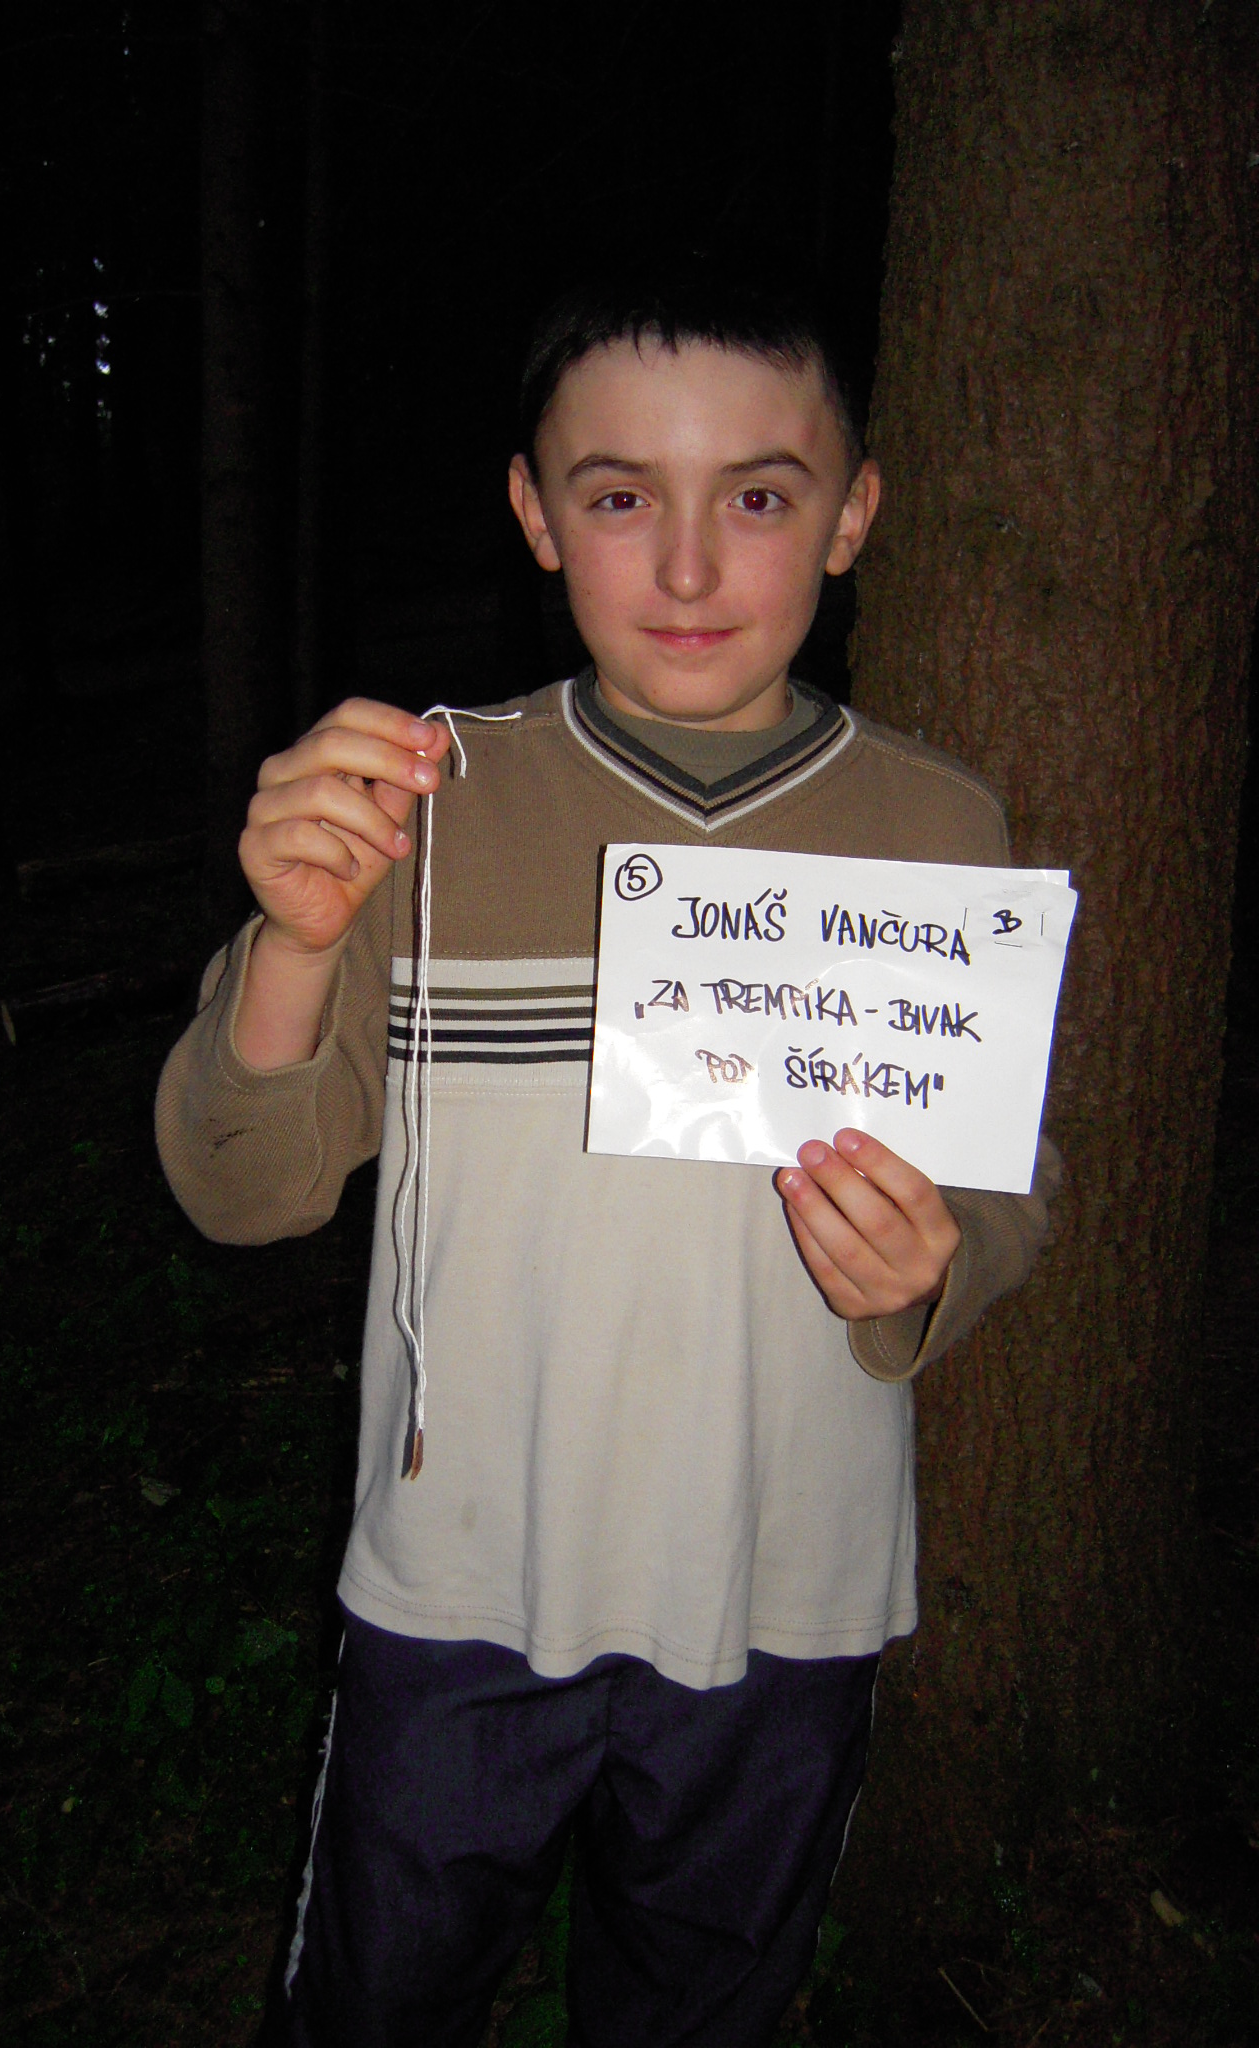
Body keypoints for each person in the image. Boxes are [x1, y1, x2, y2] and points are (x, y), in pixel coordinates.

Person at [156, 256, 1060, 2048]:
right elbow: (242, 1192)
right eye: (625, 497)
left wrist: (933, 1268)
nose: (694, 569)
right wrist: (297, 943)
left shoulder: (943, 830)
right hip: (458, 1591)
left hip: (787, 1589)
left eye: (762, 498)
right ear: (536, 517)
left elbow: (1008, 1191)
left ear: (853, 515)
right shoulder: (413, 810)